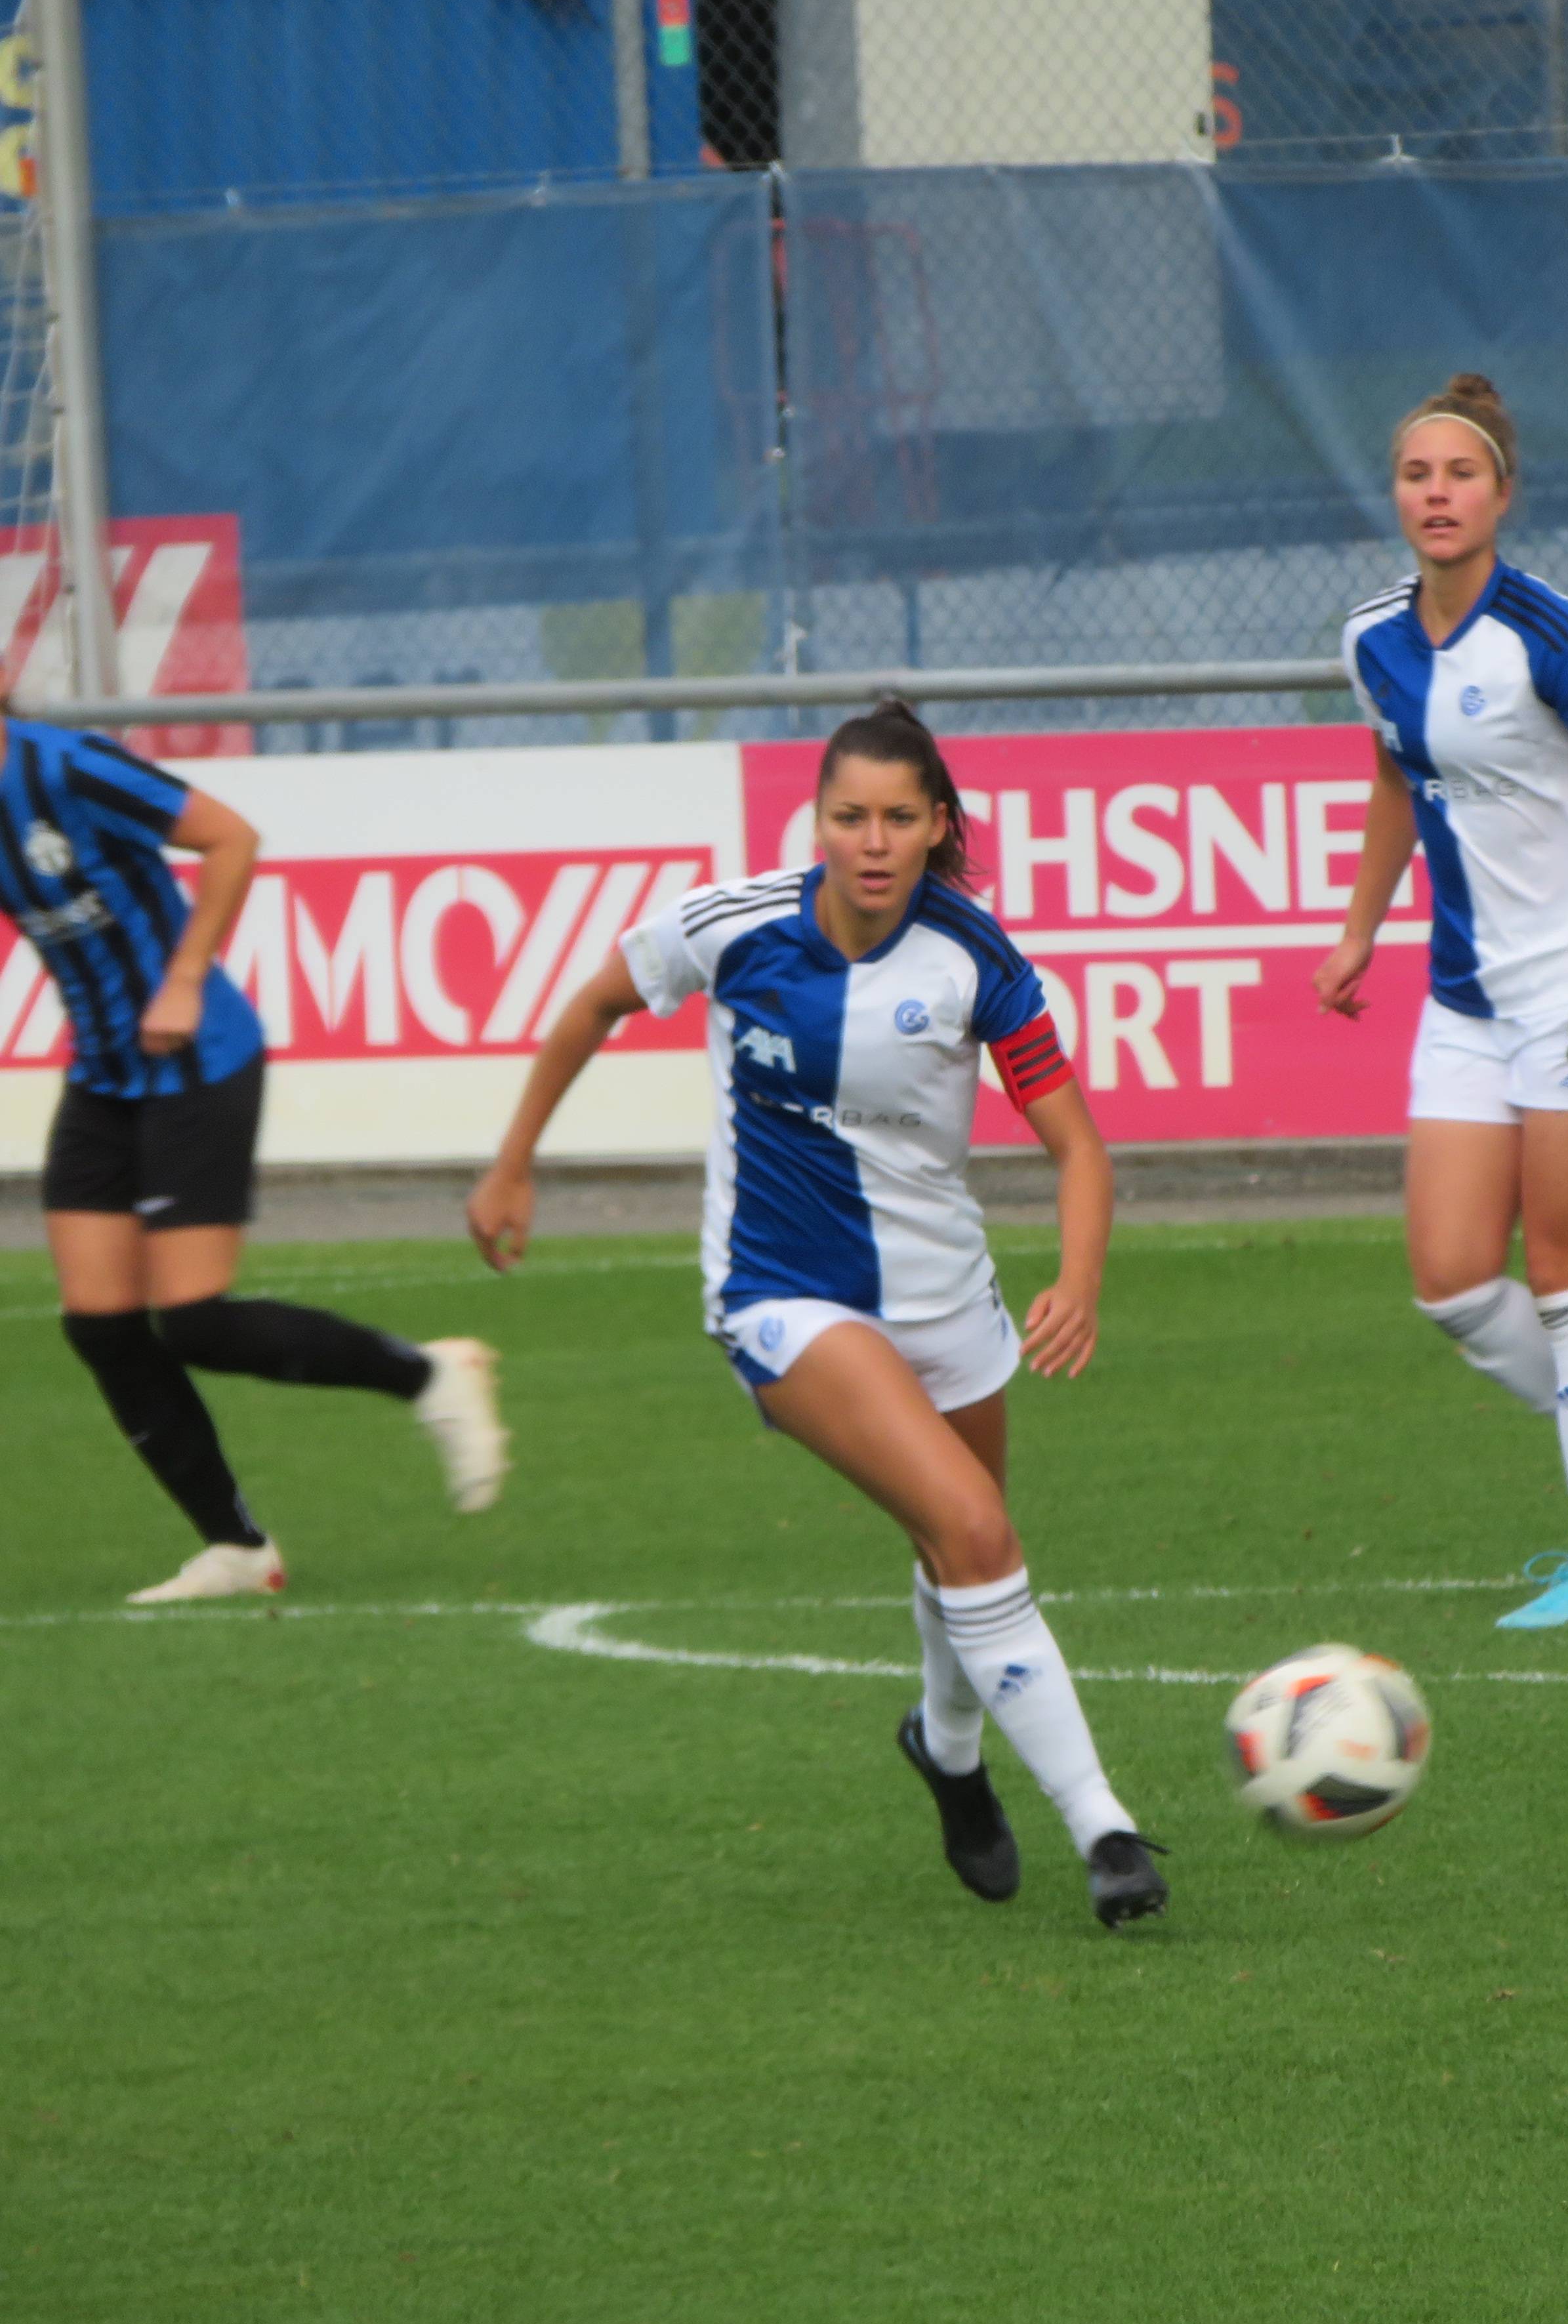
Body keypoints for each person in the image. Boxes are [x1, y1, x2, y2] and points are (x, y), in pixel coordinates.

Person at [467, 699, 1170, 1928]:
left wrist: (1080, 1276)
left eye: (898, 817)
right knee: (972, 1526)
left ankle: (947, 1750)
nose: (873, 842)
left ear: (937, 824)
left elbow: (1080, 1148)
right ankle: (1104, 1828)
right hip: (781, 1296)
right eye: (850, 816)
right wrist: (513, 1161)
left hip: (947, 1300)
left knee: (961, 1546)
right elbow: (592, 1006)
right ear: (817, 821)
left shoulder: (976, 960)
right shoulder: (732, 927)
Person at [1315, 370, 1568, 1630]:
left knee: (1564, 1270)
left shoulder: (1547, 632)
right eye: (1415, 475)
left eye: (1460, 474)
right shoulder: (1371, 637)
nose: (1437, 494)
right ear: (1395, 495)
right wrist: (1359, 928)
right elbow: (1396, 777)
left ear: (1501, 493)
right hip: (1464, 1001)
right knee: (1450, 1282)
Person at [5, 711, 503, 1600]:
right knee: (100, 1325)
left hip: (199, 1060)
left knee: (195, 1323)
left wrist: (185, 979)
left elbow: (231, 837)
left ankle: (429, 1374)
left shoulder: (67, 767)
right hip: (103, 1076)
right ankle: (237, 1548)